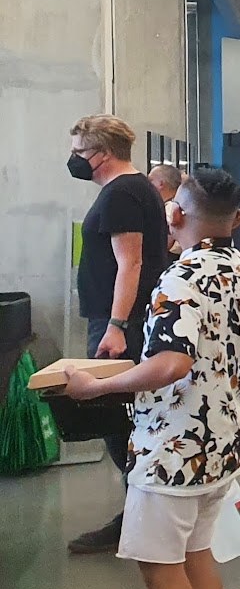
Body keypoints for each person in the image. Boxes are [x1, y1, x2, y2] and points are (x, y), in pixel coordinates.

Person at [64, 168, 240, 589]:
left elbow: (171, 363)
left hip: (172, 449)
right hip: (221, 442)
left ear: (175, 214)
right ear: (236, 218)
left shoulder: (179, 278)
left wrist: (98, 386)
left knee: (161, 568)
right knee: (198, 555)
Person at [66, 114, 170, 556]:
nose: (74, 158)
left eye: (79, 151)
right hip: (119, 319)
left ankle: (140, 514)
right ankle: (140, 510)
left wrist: (116, 326)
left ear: (102, 153)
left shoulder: (122, 193)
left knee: (115, 418)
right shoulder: (132, 189)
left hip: (120, 324)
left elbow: (131, 263)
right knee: (121, 419)